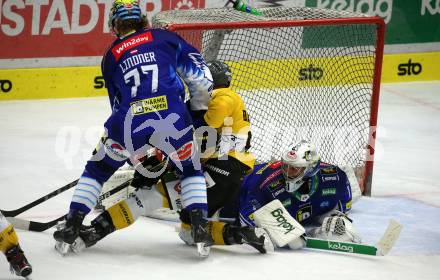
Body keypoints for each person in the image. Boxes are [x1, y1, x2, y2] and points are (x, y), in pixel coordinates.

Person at [53, 0, 214, 255]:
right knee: (190, 168)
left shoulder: (111, 56)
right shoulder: (165, 38)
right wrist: (196, 112)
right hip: (172, 117)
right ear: (144, 19)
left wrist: (134, 152)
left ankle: (72, 223)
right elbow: (201, 79)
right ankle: (199, 226)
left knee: (97, 170)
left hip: (128, 123)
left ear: (114, 25)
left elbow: (116, 105)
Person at [66, 60, 272, 255]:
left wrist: (163, 162)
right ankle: (241, 234)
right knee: (188, 231)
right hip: (225, 175)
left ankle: (93, 232)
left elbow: (204, 130)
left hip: (222, 170)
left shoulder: (223, 96)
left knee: (147, 199)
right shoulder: (220, 102)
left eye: (202, 78)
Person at [0, 212, 32, 278]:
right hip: (7, 227)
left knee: (13, 250)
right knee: (14, 249)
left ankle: (20, 264)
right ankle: (21, 265)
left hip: (6, 229)